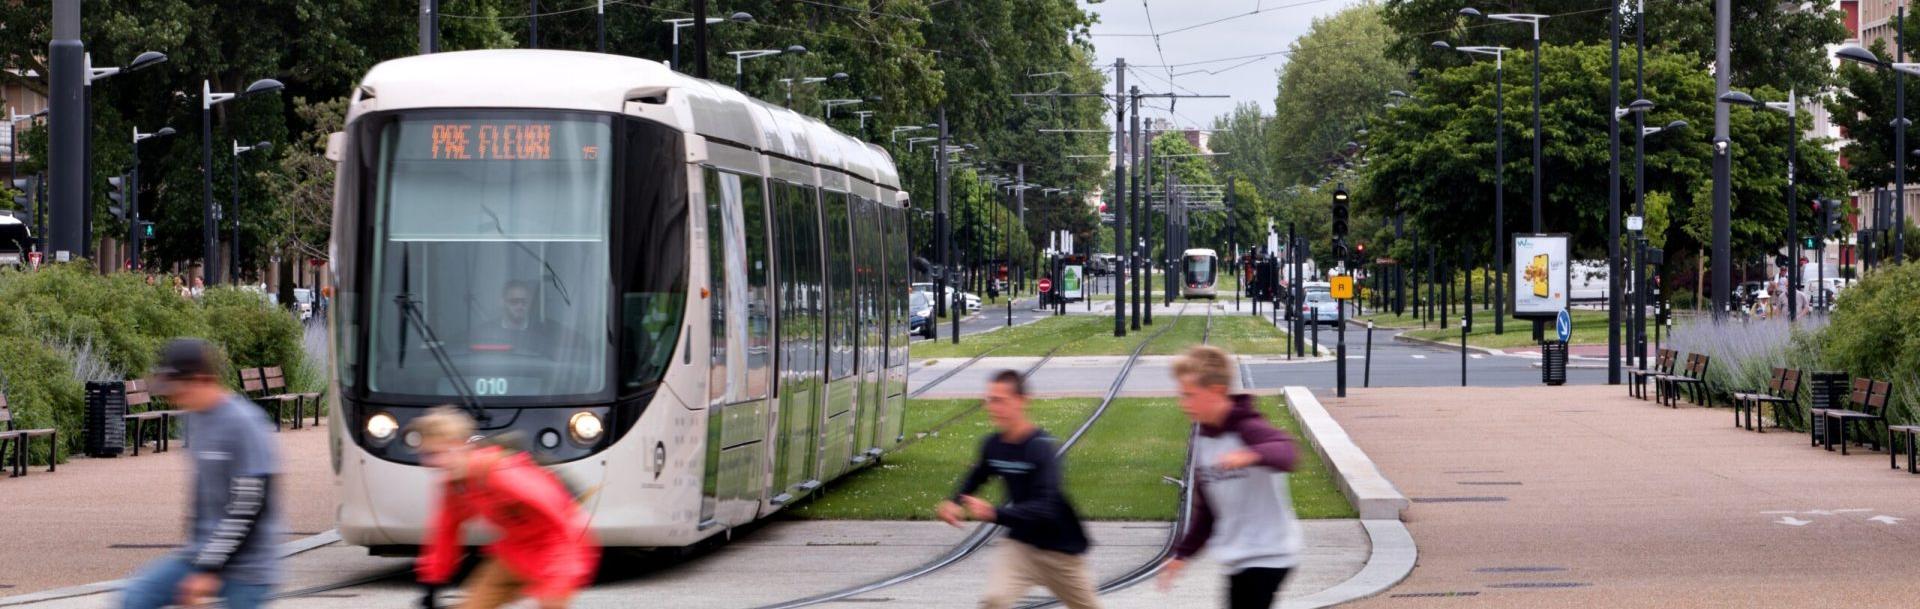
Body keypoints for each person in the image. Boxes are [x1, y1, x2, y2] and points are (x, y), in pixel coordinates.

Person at [121, 339, 284, 609]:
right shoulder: (193, 418)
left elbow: (249, 505)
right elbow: (200, 493)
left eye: (177, 389)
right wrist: (199, 557)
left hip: (248, 567)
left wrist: (208, 571)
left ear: (200, 379)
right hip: (201, 554)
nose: (173, 398)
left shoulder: (244, 423)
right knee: (137, 596)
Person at [939, 370, 1102, 609]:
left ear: (1022, 401)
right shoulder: (993, 445)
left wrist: (994, 513)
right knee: (995, 600)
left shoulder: (1041, 448)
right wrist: (954, 501)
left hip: (1060, 552)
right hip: (1020, 547)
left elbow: (1045, 506)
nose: (993, 408)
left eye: (1000, 401)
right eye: (990, 400)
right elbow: (977, 476)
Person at [1158, 345, 1302, 609]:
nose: (1183, 403)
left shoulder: (1248, 427)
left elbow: (1287, 452)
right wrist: (1182, 555)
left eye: (1189, 395)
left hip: (1269, 554)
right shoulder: (1204, 441)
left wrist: (1252, 454)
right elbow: (1208, 512)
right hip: (1239, 557)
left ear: (1216, 391)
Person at [412, 407, 598, 609]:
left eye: (440, 452)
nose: (435, 462)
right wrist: (432, 581)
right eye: (428, 454)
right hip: (516, 552)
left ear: (461, 446)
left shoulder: (502, 473)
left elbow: (563, 518)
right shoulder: (457, 485)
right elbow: (446, 531)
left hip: (557, 550)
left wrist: (562, 573)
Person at [471, 280, 566, 356]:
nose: (520, 306)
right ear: (502, 302)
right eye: (514, 302)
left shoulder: (544, 331)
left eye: (524, 302)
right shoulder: (487, 332)